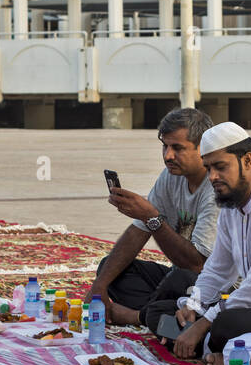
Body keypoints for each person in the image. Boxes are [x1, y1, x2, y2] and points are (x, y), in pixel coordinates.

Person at [146, 123, 251, 365]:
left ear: (247, 161)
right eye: (208, 168)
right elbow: (217, 269)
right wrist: (193, 306)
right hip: (249, 304)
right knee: (157, 311)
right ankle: (206, 347)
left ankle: (204, 344)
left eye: (220, 167)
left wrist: (203, 322)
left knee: (225, 325)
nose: (212, 177)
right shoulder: (231, 207)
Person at [89, 107, 219, 327]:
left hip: (214, 288)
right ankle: (162, 317)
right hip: (180, 282)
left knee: (181, 280)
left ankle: (141, 317)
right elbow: (138, 232)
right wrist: (98, 287)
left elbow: (196, 265)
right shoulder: (172, 176)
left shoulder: (216, 186)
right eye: (165, 146)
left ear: (203, 149)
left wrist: (152, 218)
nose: (168, 155)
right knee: (110, 270)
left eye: (178, 148)